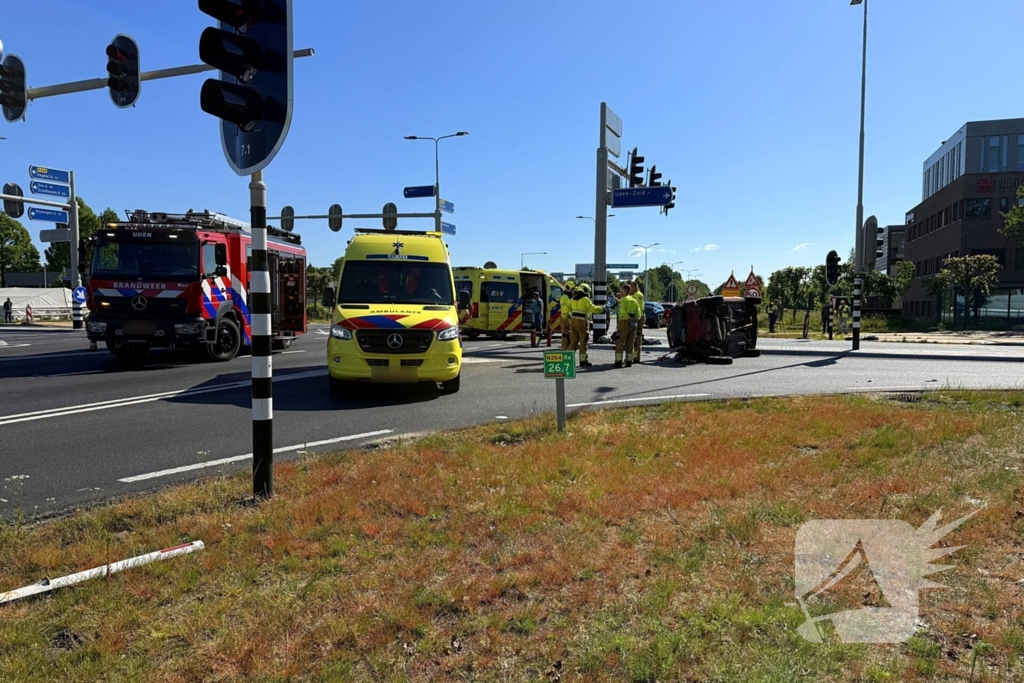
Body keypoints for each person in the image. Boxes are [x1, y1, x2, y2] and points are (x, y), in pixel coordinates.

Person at [569, 283, 603, 368]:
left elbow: (568, 309)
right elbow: (593, 309)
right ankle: (583, 361)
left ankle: (567, 359)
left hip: (573, 320)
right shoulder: (585, 299)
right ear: (585, 290)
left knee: (573, 341)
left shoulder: (572, 299)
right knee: (583, 341)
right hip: (582, 321)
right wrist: (602, 308)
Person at [613, 283, 640, 368]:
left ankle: (618, 361)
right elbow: (638, 313)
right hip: (633, 324)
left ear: (625, 291)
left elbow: (623, 311)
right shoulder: (634, 300)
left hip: (624, 322)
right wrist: (634, 319)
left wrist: (628, 318)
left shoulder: (623, 300)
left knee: (620, 341)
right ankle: (629, 361)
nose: (621, 292)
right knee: (630, 342)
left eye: (622, 290)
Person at [629, 280, 646, 364]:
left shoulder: (637, 296)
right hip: (639, 317)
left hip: (638, 318)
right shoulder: (636, 295)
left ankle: (636, 357)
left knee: (636, 338)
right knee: (635, 337)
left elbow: (637, 308)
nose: (630, 289)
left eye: (631, 287)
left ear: (635, 287)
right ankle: (634, 356)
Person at [559, 281, 575, 350]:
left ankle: (566, 348)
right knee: (565, 334)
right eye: (573, 290)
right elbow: (564, 309)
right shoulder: (565, 297)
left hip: (567, 317)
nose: (573, 291)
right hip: (565, 317)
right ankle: (564, 349)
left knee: (568, 334)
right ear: (569, 289)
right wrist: (568, 317)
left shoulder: (568, 297)